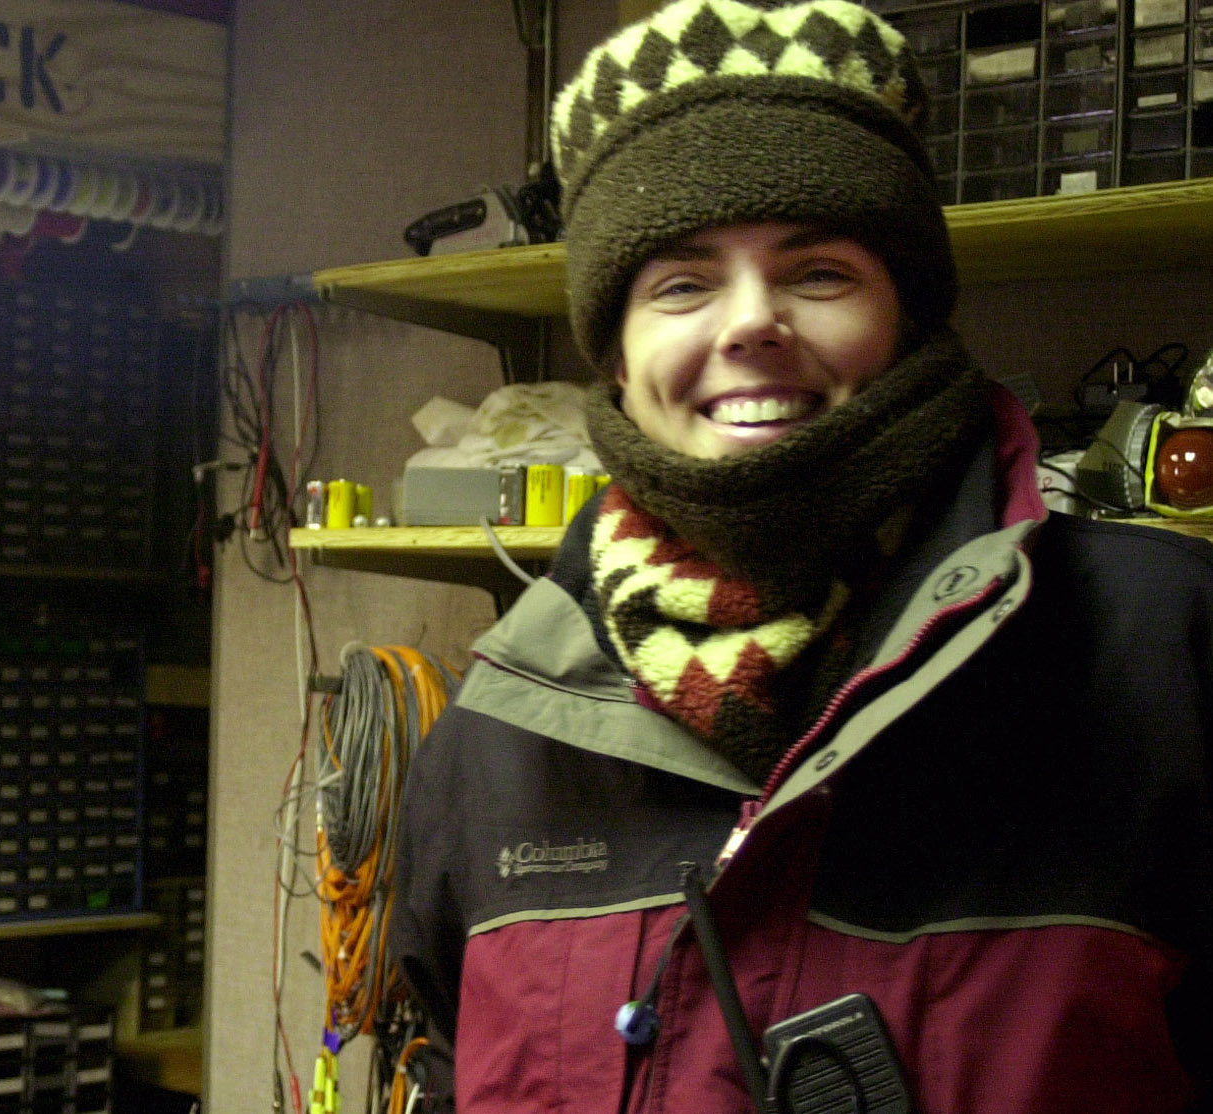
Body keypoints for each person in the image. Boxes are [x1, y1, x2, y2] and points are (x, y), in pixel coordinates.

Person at [387, 1, 1213, 1111]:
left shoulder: (1159, 650)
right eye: (680, 283)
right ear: (618, 357)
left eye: (818, 272)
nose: (750, 323)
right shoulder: (502, 730)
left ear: (906, 318)